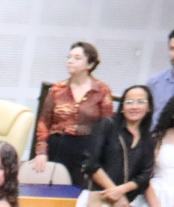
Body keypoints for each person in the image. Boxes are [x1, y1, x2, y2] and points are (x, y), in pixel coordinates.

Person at [76, 85, 156, 207]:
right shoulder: (107, 125)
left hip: (125, 206)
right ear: (122, 106)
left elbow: (146, 175)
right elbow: (91, 164)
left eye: (140, 102)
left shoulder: (149, 138)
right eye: (129, 102)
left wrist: (122, 192)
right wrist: (115, 193)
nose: (134, 106)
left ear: (149, 107)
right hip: (97, 199)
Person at [31, 42, 114, 186]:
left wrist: (101, 156)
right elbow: (44, 122)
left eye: (77, 58)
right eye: (69, 57)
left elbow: (108, 125)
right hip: (58, 144)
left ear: (90, 64)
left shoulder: (101, 90)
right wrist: (41, 152)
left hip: (86, 148)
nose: (70, 61)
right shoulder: (57, 89)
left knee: (78, 190)